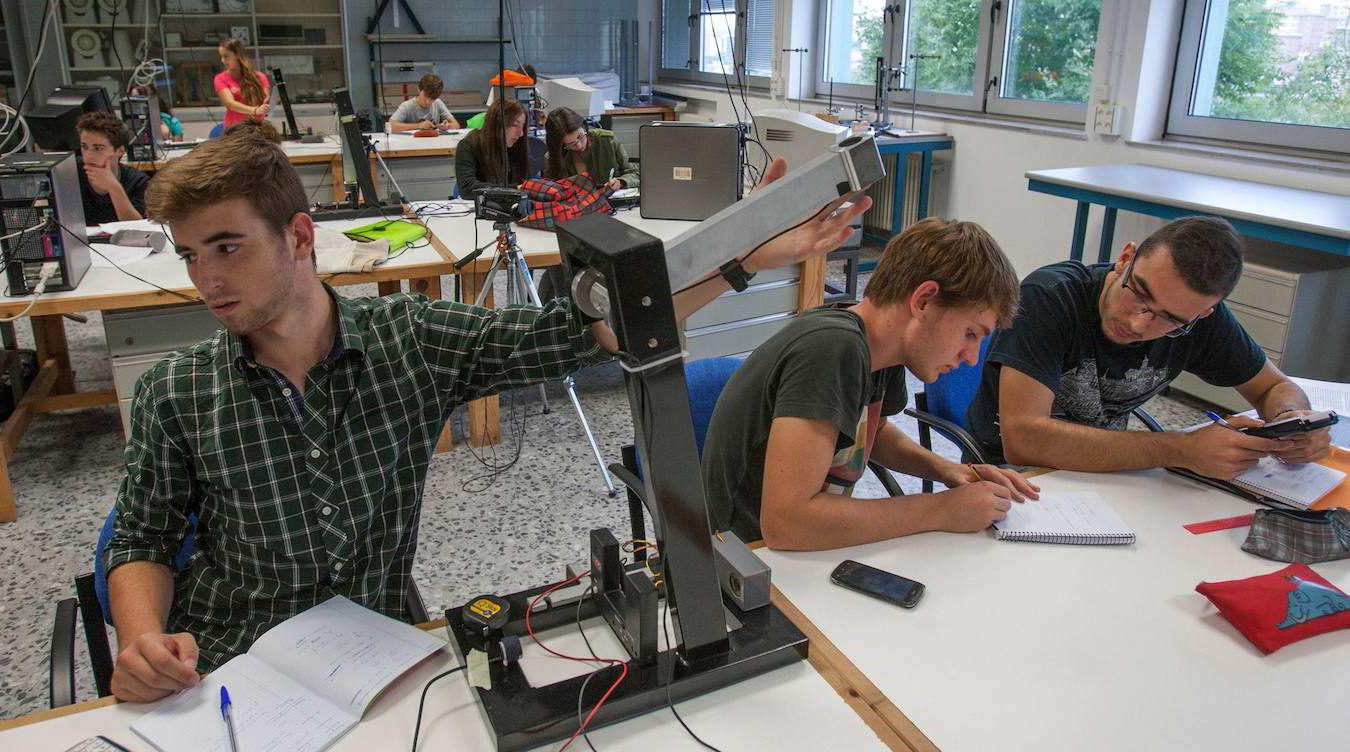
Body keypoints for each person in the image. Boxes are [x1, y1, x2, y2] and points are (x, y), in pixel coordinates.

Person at [103, 118, 872, 702]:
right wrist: (141, 641)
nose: (206, 277)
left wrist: (742, 258)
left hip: (373, 664)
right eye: (191, 255)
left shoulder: (409, 341)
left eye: (227, 247)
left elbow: (586, 334)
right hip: (229, 670)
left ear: (299, 237)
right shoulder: (177, 390)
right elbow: (142, 536)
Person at [702, 218, 1039, 551]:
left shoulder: (884, 350)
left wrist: (950, 470)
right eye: (970, 333)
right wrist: (941, 508)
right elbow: (787, 523)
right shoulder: (832, 349)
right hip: (745, 563)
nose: (971, 356)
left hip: (794, 555)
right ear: (924, 301)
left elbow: (872, 433)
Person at [964, 215, 1332, 480]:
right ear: (1126, 258)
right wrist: (1180, 449)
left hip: (1109, 470)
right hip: (1013, 473)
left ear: (1202, 314)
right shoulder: (1051, 297)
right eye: (1139, 293)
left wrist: (1289, 422)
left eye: (1168, 319)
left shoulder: (1201, 321)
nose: (1138, 323)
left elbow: (1275, 387)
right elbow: (1025, 439)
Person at [76, 111, 149, 226]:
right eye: (84, 147)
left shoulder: (138, 181)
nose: (88, 155)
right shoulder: (71, 173)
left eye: (98, 148)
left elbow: (138, 229)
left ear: (119, 151)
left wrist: (114, 188)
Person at [543, 106, 638, 191]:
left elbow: (634, 174)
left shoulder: (607, 140)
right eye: (570, 144)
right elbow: (550, 190)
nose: (579, 145)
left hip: (611, 204)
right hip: (575, 207)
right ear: (561, 145)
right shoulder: (553, 158)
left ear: (585, 128)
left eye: (580, 137)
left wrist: (621, 182)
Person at [454, 98, 530, 197]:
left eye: (523, 126)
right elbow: (467, 188)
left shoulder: (517, 146)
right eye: (515, 125)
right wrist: (514, 190)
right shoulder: (469, 145)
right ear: (497, 124)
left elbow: (525, 183)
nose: (521, 133)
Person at [214, 37, 270, 130]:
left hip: (258, 128)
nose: (222, 60)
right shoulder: (220, 78)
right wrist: (255, 110)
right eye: (221, 56)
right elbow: (230, 104)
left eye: (226, 56)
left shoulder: (259, 77)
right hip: (235, 130)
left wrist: (267, 105)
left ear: (238, 55)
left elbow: (265, 100)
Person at [388, 73, 458, 133]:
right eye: (425, 96)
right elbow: (390, 125)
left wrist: (447, 126)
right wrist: (419, 125)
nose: (428, 102)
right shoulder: (407, 106)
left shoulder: (438, 103)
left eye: (432, 99)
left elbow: (456, 125)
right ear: (419, 89)